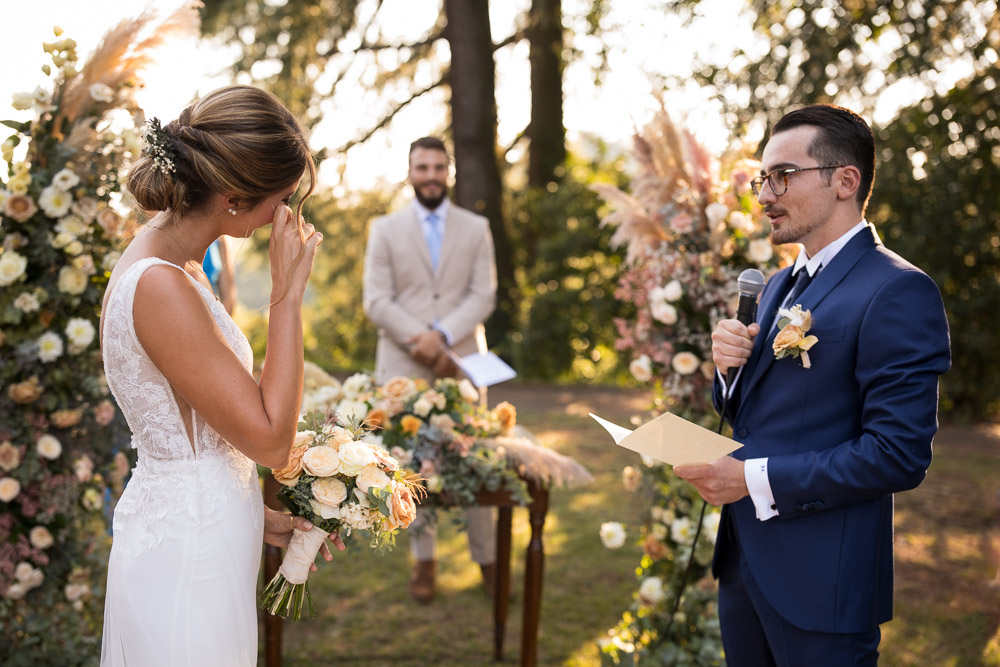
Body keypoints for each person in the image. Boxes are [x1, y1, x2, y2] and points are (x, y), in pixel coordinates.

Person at [674, 104, 951, 666]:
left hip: (824, 580)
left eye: (783, 176)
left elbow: (897, 455)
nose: (765, 194)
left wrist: (749, 478)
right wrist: (728, 370)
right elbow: (753, 411)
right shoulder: (776, 285)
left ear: (845, 181)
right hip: (745, 567)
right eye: (762, 178)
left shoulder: (897, 291)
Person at [99, 85, 342, 666]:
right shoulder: (160, 285)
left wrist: (254, 513)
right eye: (281, 200)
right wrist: (287, 297)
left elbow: (193, 430)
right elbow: (270, 439)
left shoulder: (175, 265)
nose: (285, 218)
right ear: (233, 199)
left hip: (203, 531)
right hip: (188, 556)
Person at [362, 136, 498, 603]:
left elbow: (484, 295)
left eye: (439, 167)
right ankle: (424, 559)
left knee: (474, 454)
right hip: (403, 360)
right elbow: (376, 299)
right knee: (410, 462)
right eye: (423, 168)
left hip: (462, 358)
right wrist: (421, 339)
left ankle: (488, 560)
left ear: (449, 172)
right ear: (410, 172)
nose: (431, 176)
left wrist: (442, 336)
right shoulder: (384, 229)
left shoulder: (476, 227)